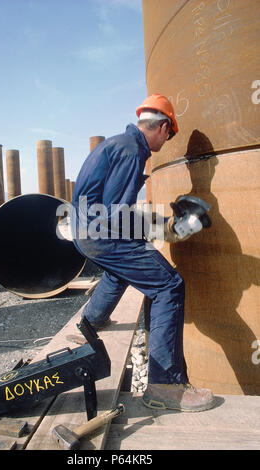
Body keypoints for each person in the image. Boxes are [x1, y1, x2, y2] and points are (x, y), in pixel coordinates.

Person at [70, 94, 215, 412]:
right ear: (163, 127)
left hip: (85, 231)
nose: (168, 140)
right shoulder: (133, 149)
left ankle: (91, 323)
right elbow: (114, 214)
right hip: (101, 232)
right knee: (168, 285)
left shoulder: (118, 144)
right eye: (171, 134)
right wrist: (166, 228)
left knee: (119, 270)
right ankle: (166, 386)